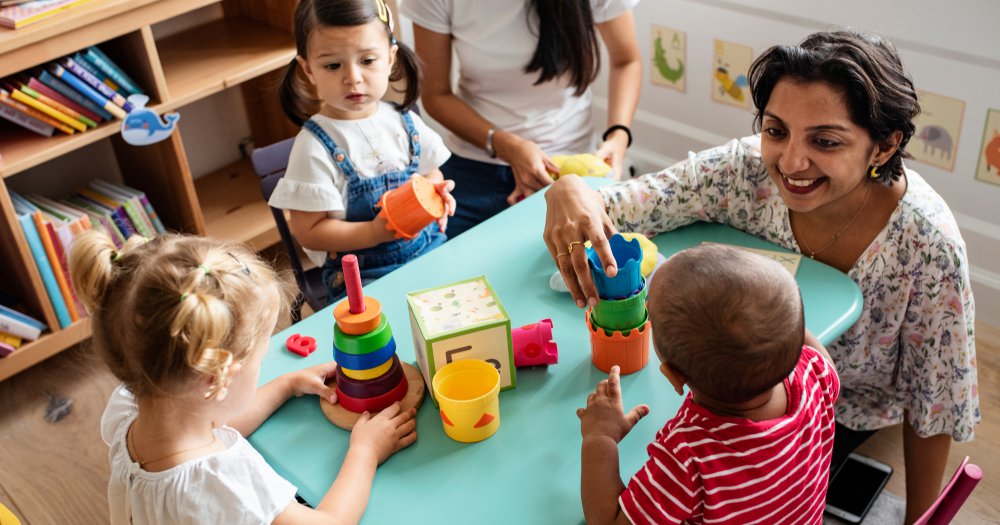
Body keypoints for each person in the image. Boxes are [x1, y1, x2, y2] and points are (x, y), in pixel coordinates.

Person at [545, 30, 978, 523]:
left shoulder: (928, 243)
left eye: (826, 140)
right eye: (775, 131)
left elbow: (935, 400)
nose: (791, 163)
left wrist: (921, 518)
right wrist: (571, 188)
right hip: (759, 390)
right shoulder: (742, 171)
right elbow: (626, 205)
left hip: (842, 412)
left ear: (884, 145)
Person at [69, 231, 417, 524]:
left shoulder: (130, 409)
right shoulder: (224, 483)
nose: (264, 367)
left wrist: (285, 385)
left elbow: (215, 424)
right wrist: (365, 451)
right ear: (217, 380)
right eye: (260, 359)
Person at [579, 244, 840, 524]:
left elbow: (609, 521)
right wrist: (773, 313)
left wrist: (600, 437)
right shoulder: (816, 375)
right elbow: (796, 336)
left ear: (675, 377)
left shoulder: (688, 456)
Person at [400, 0, 642, 238]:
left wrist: (618, 136)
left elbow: (626, 61)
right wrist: (508, 146)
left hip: (568, 166)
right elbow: (436, 94)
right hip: (473, 164)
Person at [272, 0, 456, 302]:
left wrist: (436, 192)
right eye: (333, 65)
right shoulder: (313, 146)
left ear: (390, 58)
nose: (353, 77)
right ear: (308, 70)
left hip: (429, 249)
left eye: (368, 60)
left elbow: (430, 171)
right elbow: (310, 231)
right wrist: (373, 233)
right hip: (364, 277)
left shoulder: (404, 121)